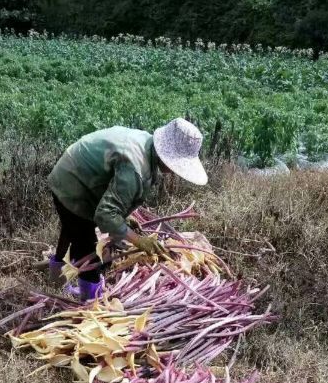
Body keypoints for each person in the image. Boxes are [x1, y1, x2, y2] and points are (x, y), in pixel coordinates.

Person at [47, 117, 208, 301]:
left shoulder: (146, 143)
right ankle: (90, 302)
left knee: (71, 229)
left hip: (73, 170)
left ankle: (55, 281)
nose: (173, 171)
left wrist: (123, 218)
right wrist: (139, 240)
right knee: (85, 245)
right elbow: (105, 214)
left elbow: (116, 193)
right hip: (73, 182)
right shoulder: (135, 168)